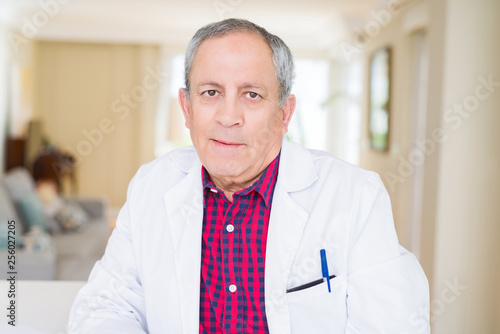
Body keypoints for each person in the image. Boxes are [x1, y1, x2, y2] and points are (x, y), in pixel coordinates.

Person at [69, 18, 430, 334]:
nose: (229, 117)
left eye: (252, 95)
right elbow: (106, 307)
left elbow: (393, 325)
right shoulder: (151, 185)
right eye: (211, 92)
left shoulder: (354, 196)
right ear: (187, 107)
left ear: (284, 113)